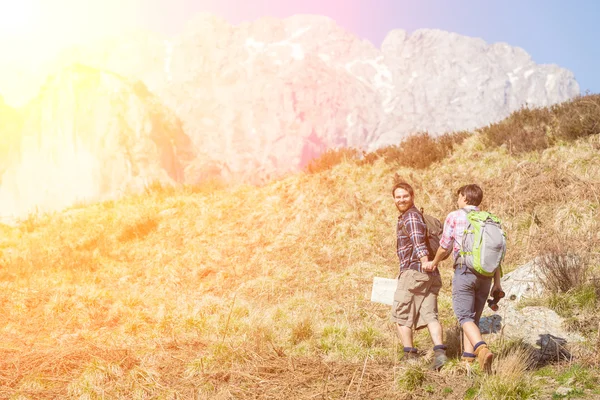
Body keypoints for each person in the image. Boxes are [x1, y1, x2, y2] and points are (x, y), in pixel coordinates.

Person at [424, 184, 502, 373]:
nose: (457, 199)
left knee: (463, 315)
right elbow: (496, 255)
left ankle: (482, 349)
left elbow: (444, 246)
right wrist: (497, 283)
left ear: (465, 198)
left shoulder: (455, 216)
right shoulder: (490, 219)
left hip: (464, 270)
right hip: (486, 275)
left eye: (459, 196)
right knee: (473, 317)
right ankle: (468, 361)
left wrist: (434, 262)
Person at [390, 181, 447, 371]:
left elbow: (417, 241)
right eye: (398, 197)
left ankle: (410, 355)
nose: (401, 199)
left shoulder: (411, 217)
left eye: (405, 196)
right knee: (430, 315)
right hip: (430, 275)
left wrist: (424, 261)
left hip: (415, 272)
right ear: (394, 199)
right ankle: (440, 353)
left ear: (412, 196)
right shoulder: (417, 215)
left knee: (401, 314)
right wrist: (430, 265)